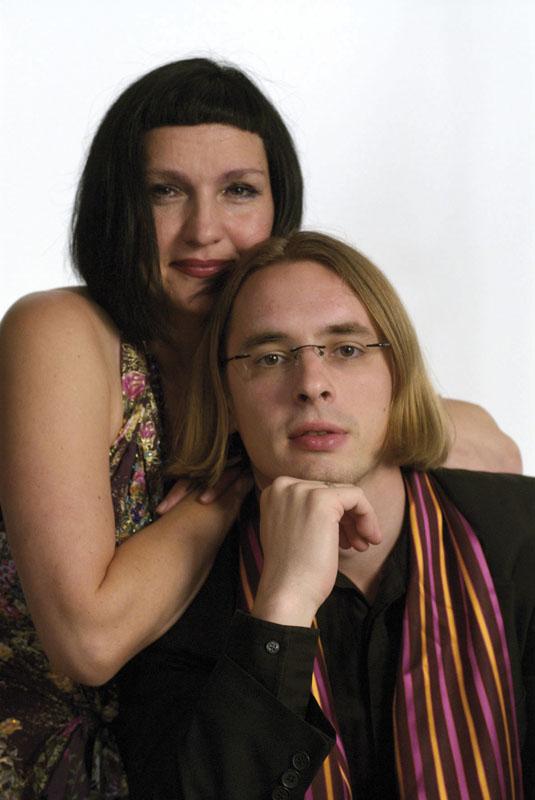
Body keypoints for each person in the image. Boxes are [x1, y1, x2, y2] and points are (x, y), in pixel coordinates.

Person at [0, 57, 521, 799]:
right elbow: (88, 642)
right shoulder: (61, 331)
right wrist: (232, 484)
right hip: (49, 761)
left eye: (238, 190)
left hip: (212, 730)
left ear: (280, 206)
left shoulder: (273, 358)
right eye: (164, 191)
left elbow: (492, 450)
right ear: (119, 208)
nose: (204, 230)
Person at [115, 232, 535, 799]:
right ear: (227, 399)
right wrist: (281, 609)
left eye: (347, 349)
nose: (312, 385)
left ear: (398, 374)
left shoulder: (521, 537)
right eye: (270, 358)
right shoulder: (181, 596)